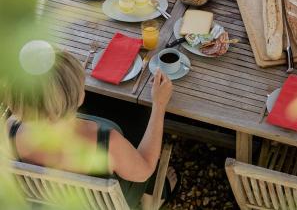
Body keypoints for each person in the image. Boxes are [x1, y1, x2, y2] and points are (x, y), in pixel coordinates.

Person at [3, 50, 178, 208]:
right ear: (80, 97)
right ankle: (152, 201)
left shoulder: (10, 129)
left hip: (45, 200)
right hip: (106, 204)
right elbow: (144, 170)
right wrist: (159, 104)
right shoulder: (106, 143)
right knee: (141, 151)